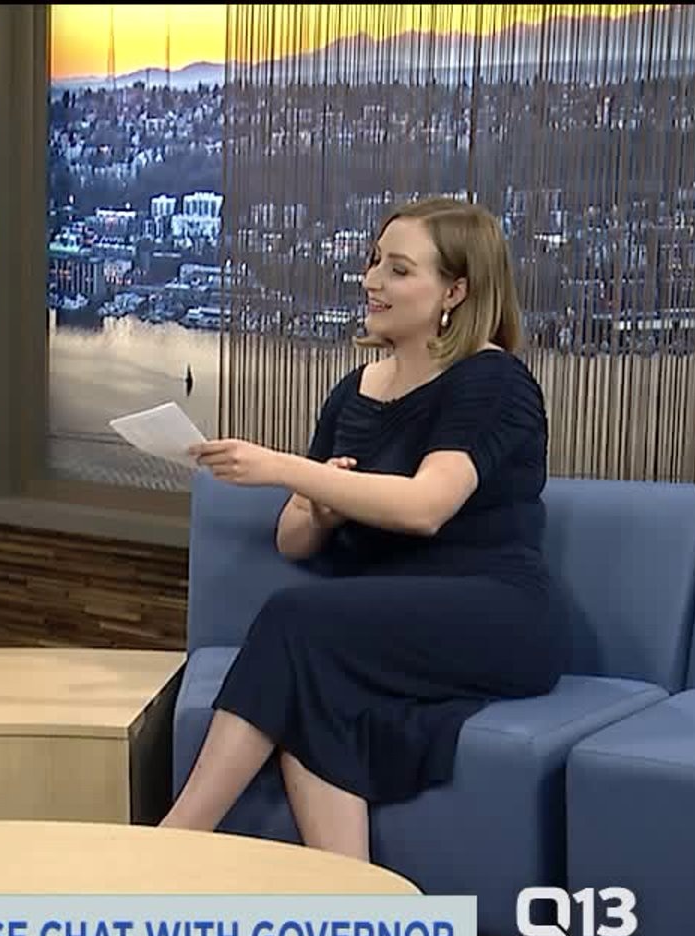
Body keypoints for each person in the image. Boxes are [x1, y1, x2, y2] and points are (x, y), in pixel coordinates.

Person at [169, 196, 573, 861]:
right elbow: (293, 540)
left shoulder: (493, 381)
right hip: (385, 617)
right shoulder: (356, 390)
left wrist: (282, 467)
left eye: (398, 270)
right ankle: (354, 900)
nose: (371, 281)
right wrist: (319, 504)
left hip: (497, 610)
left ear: (455, 291)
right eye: (374, 262)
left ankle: (173, 843)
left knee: (295, 625)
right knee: (314, 688)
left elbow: (426, 506)